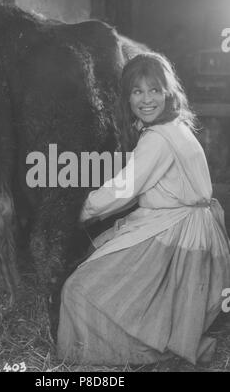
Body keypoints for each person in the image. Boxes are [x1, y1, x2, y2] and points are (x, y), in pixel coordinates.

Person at [56, 52, 230, 366]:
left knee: (78, 289)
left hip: (176, 235)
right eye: (137, 91)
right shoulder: (175, 126)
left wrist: (76, 211)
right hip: (190, 231)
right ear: (128, 97)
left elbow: (124, 189)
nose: (146, 99)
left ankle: (104, 355)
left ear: (168, 93)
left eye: (154, 90)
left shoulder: (157, 140)